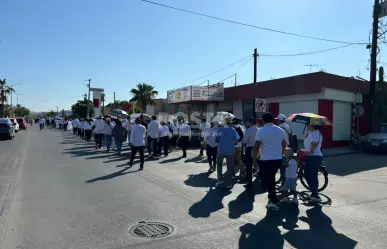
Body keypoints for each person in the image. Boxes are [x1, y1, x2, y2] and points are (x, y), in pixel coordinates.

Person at [253, 112, 286, 211]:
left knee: (268, 180)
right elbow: (284, 144)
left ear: (263, 120)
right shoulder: (280, 130)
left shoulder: (261, 131)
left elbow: (256, 146)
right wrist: (281, 153)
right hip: (277, 159)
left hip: (265, 160)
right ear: (273, 120)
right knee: (271, 178)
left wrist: (254, 157)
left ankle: (274, 201)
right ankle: (271, 198)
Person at [215, 117, 239, 189]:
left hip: (220, 150)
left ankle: (220, 180)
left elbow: (216, 140)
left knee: (219, 164)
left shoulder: (219, 129)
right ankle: (229, 183)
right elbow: (236, 141)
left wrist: (221, 142)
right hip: (230, 151)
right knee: (230, 167)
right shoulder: (233, 129)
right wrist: (231, 144)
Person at [303, 124, 323, 203]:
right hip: (315, 157)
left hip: (313, 157)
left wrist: (310, 153)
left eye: (308, 125)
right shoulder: (316, 133)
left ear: (313, 126)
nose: (307, 126)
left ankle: (315, 196)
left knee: (310, 176)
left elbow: (314, 143)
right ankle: (314, 193)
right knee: (311, 176)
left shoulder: (314, 133)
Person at [242, 118, 258, 189]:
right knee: (259, 164)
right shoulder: (259, 129)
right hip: (258, 149)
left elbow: (244, 140)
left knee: (248, 166)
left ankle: (249, 182)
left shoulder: (249, 130)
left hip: (250, 148)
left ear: (251, 122)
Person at [277, 113, 293, 184]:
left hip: (282, 149)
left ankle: (284, 181)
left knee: (282, 166)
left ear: (279, 120)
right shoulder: (288, 127)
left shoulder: (279, 128)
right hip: (288, 148)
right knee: (287, 165)